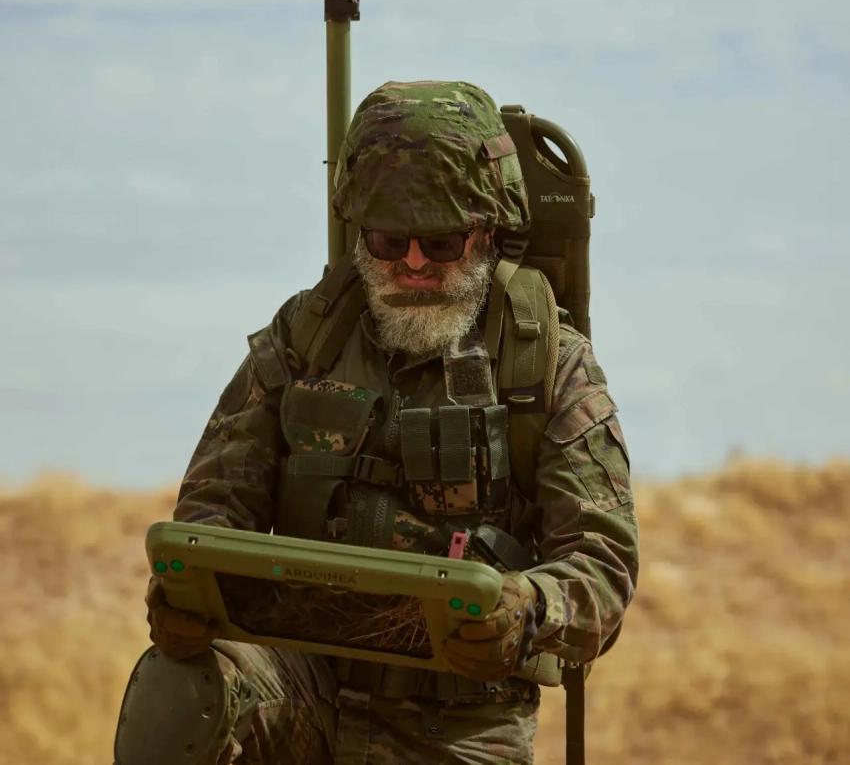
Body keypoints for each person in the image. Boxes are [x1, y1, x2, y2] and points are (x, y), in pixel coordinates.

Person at [115, 81, 638, 765]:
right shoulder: (306, 337)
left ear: (486, 232)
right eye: (389, 240)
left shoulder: (548, 364)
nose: (412, 264)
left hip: (461, 718)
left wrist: (526, 608)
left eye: (441, 242)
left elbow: (602, 564)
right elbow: (214, 508)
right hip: (304, 682)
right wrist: (187, 596)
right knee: (181, 692)